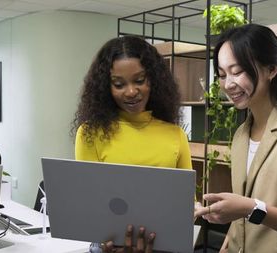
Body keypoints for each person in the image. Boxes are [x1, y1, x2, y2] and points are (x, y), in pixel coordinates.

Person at [194, 24, 277, 253]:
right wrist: (230, 232)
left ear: (271, 69)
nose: (228, 84)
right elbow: (247, 207)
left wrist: (249, 208)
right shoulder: (240, 135)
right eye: (222, 74)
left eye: (237, 72)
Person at [72, 36, 193, 251]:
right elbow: (90, 204)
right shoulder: (90, 134)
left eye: (139, 80)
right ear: (105, 87)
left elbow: (185, 204)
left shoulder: (175, 135)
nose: (130, 91)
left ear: (153, 80)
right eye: (119, 84)